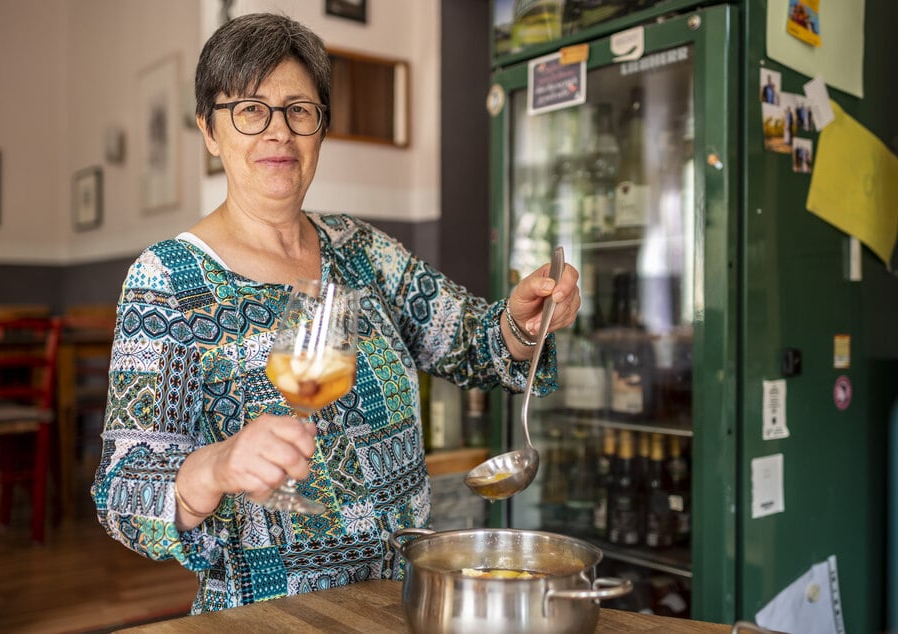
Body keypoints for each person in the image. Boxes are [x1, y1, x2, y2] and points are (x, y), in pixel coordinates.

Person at [91, 12, 581, 615]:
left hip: (401, 599)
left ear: (320, 129)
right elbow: (123, 492)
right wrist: (216, 465)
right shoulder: (167, 279)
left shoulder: (360, 249)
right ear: (209, 130)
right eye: (250, 109)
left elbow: (473, 341)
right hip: (268, 614)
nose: (279, 133)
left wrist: (521, 321)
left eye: (300, 110)